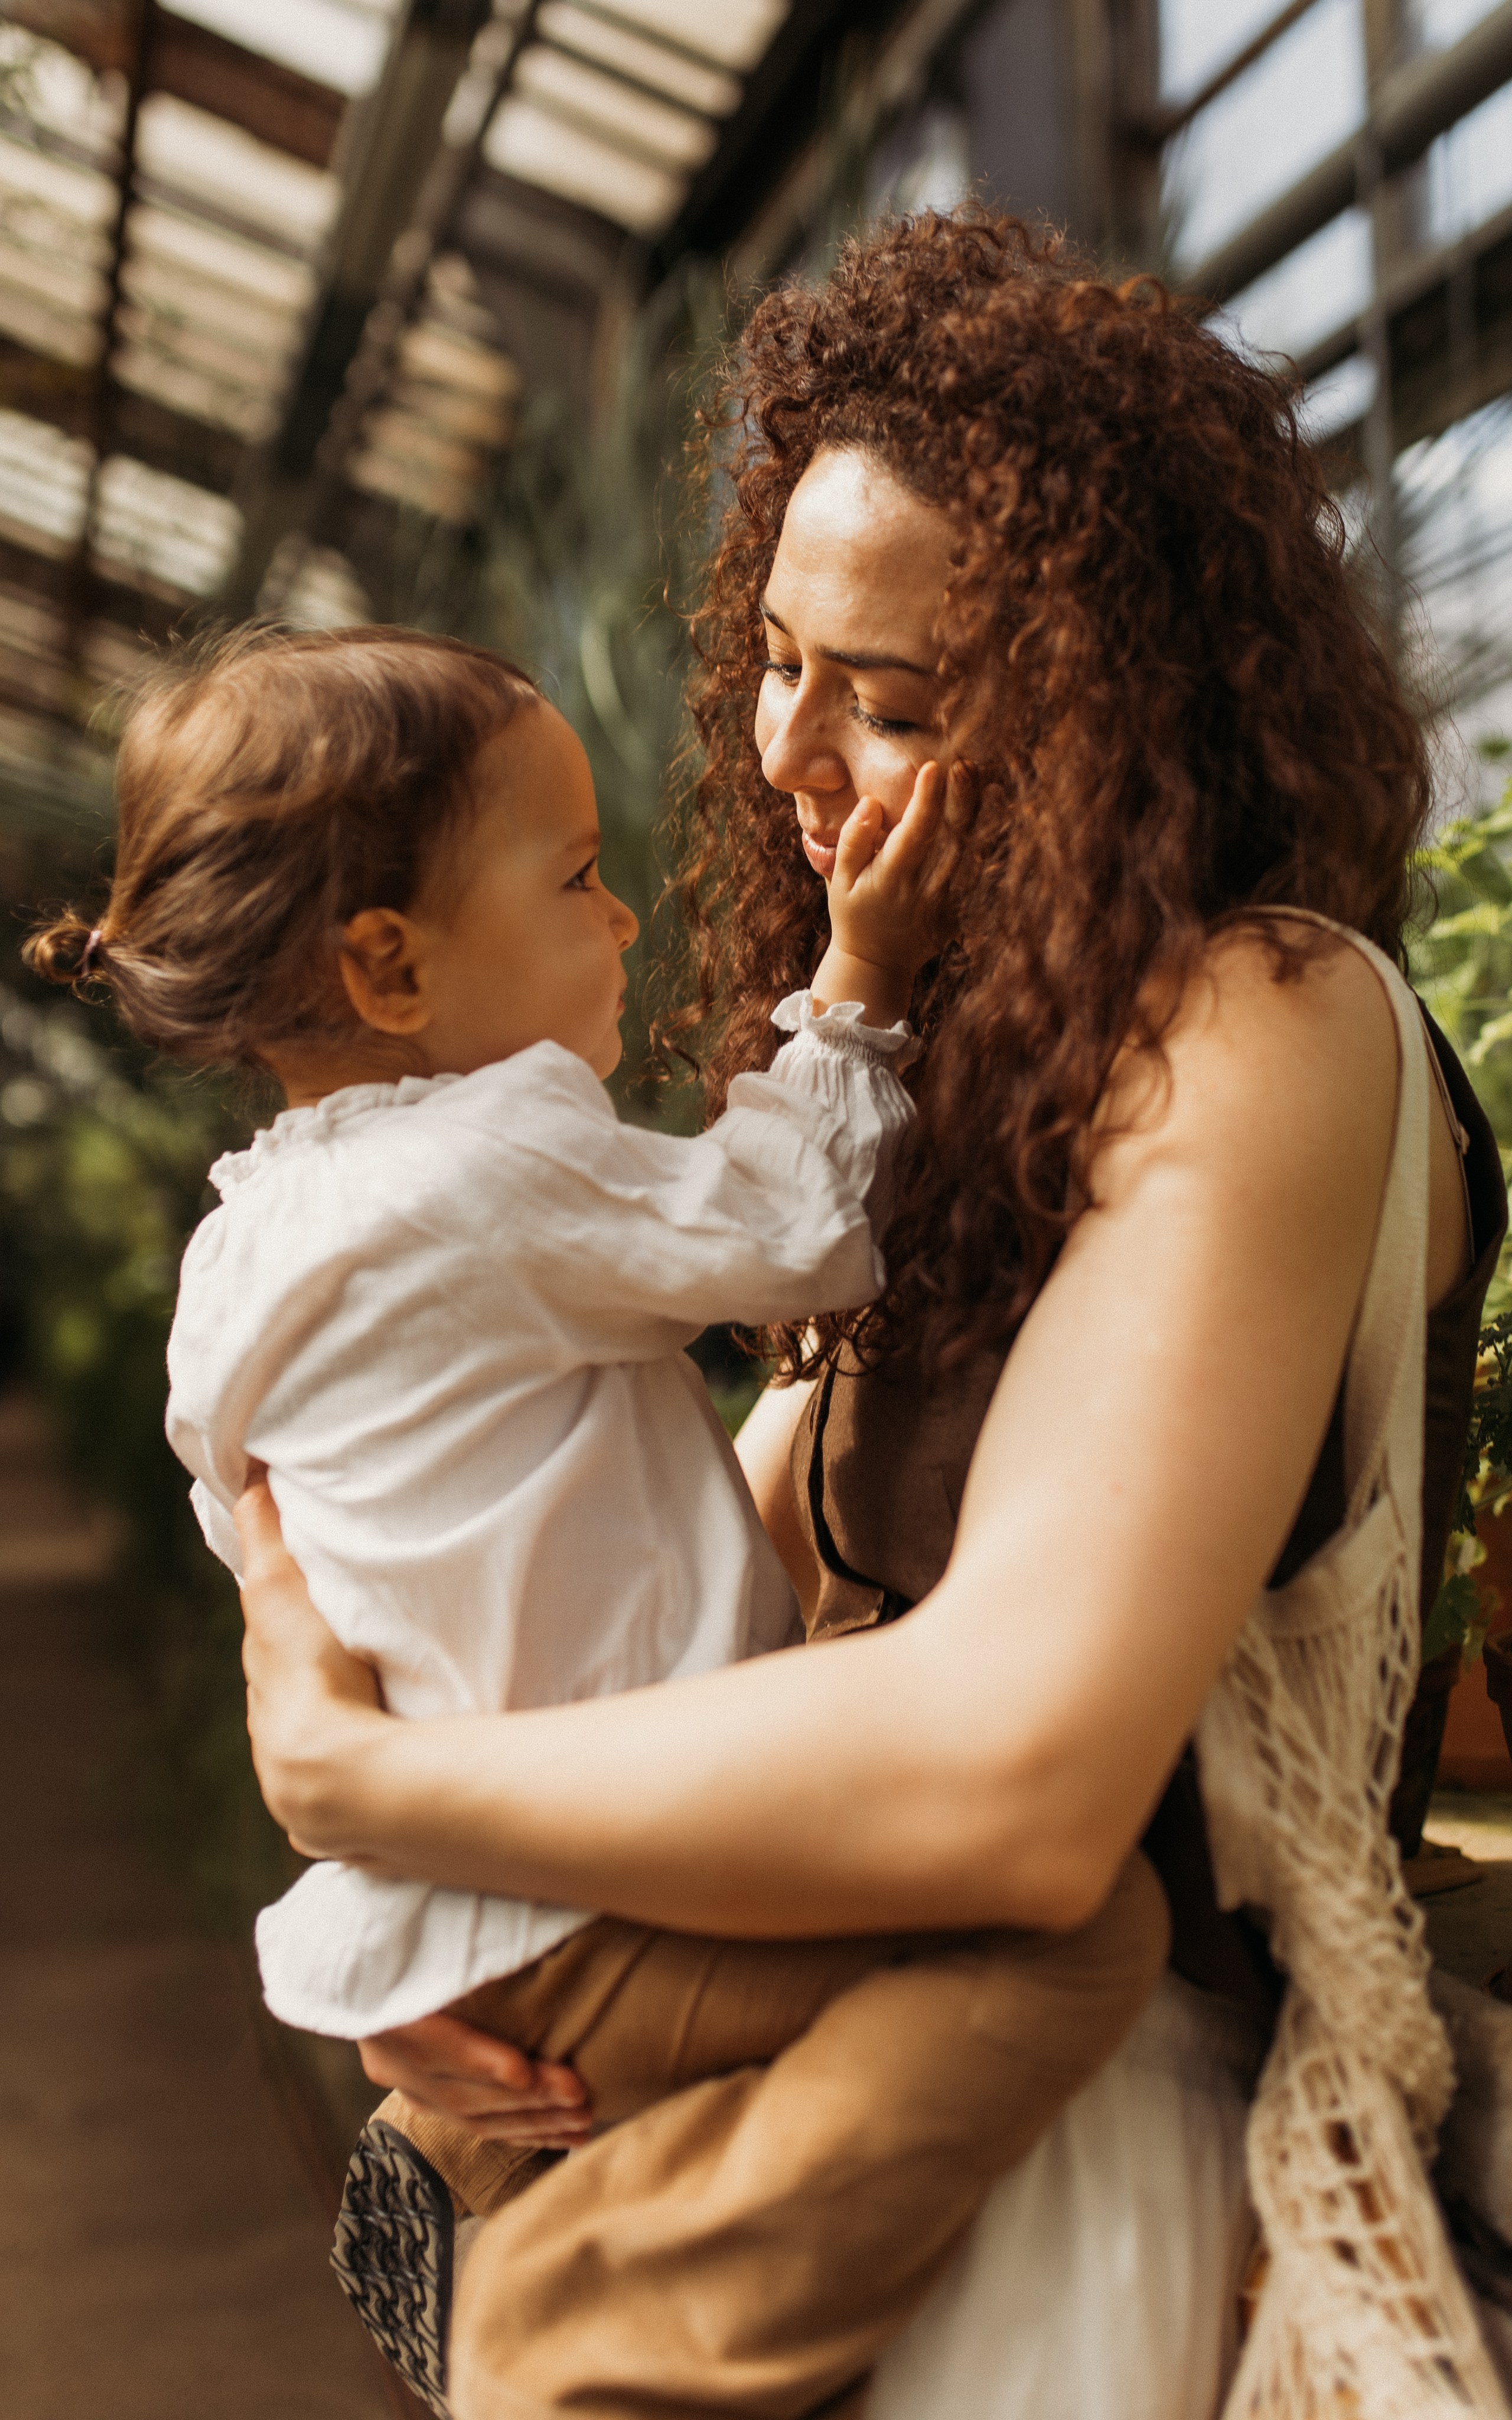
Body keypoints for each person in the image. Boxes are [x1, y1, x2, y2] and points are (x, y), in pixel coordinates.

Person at [228, 209, 1512, 2420]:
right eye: (782, 658)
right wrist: (434, 1911)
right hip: (872, 2097)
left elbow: (1020, 1780)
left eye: (893, 698)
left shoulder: (1262, 1023)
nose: (794, 750)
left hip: (1091, 2163)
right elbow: (691, 1586)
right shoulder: (967, 1055)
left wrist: (386, 1790)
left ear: (1117, 719)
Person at [25, 622, 1169, 2420]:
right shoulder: (491, 1162)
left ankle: (496, 2188)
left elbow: (294, 1578)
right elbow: (792, 1231)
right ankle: (607, 2330)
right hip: (619, 1868)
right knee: (1082, 1943)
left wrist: (391, 1909)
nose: (624, 915)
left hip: (486, 1893)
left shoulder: (244, 1252)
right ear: (389, 967)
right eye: (573, 877)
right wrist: (860, 983)